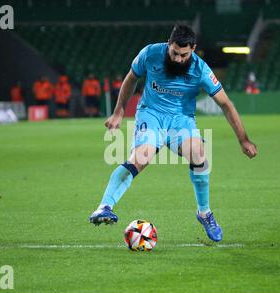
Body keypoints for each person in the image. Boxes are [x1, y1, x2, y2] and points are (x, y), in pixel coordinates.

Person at [88, 24, 257, 242]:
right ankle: (104, 207)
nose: (177, 58)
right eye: (174, 52)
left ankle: (204, 213)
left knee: (199, 153)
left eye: (183, 55)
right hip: (152, 114)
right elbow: (131, 77)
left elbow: (226, 104)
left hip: (181, 120)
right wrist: (119, 112)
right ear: (169, 44)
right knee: (141, 157)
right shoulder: (150, 53)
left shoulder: (201, 70)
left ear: (193, 49)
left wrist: (243, 139)